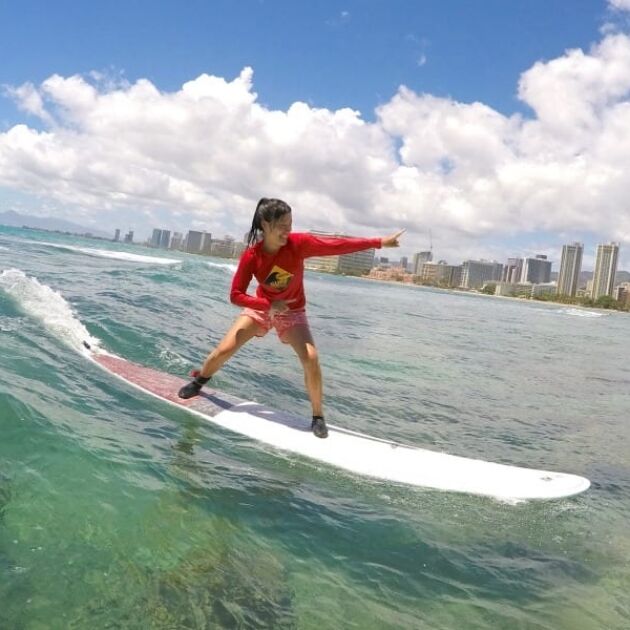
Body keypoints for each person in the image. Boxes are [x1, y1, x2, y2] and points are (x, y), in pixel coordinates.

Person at [178, 198, 404, 438]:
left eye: (290, 224)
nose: (288, 230)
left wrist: (379, 242)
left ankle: (318, 416)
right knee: (223, 351)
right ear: (265, 224)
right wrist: (267, 304)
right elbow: (235, 295)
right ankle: (199, 381)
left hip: (293, 312)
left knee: (311, 358)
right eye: (283, 225)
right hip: (262, 308)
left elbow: (336, 244)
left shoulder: (298, 244)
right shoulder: (252, 256)